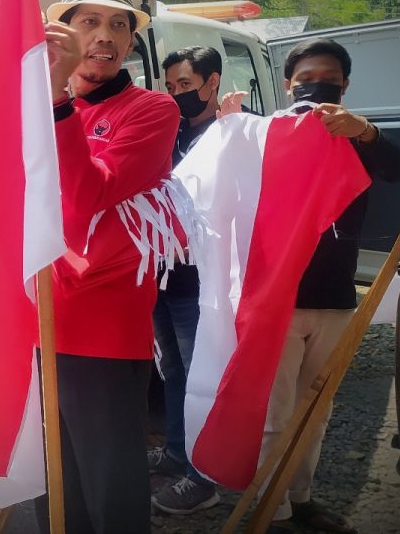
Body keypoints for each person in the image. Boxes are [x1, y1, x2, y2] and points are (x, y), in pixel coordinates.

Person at [39, 0, 181, 533]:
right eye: (90, 21)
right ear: (64, 31)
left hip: (100, 324)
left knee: (110, 481)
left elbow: (83, 199)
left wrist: (53, 99)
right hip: (37, 312)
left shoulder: (151, 110)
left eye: (119, 25)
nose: (105, 36)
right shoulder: (33, 102)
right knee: (56, 479)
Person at [258, 38, 400, 534]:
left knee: (315, 411)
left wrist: (364, 130)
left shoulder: (357, 138)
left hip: (335, 298)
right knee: (273, 413)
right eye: (304, 80)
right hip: (278, 298)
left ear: (345, 86)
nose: (314, 87)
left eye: (327, 79)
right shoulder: (268, 134)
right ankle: (269, 508)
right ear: (287, 86)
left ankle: (300, 500)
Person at [149, 46, 224, 515]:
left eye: (186, 86)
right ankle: (178, 452)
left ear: (212, 83)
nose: (177, 95)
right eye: (171, 86)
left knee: (203, 378)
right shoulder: (167, 132)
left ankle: (205, 476)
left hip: (203, 284)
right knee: (172, 371)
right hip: (161, 278)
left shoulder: (230, 135)